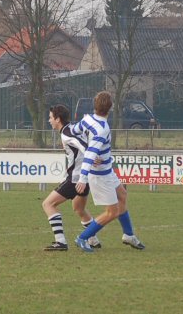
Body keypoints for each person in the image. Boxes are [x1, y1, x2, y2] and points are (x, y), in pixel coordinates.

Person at [71, 91, 145, 253]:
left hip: (107, 171)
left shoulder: (87, 119)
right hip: (99, 175)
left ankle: (128, 235)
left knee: (122, 195)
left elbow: (75, 131)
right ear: (110, 108)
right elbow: (90, 153)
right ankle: (82, 238)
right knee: (112, 212)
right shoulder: (102, 129)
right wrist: (83, 179)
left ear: (94, 105)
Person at [42, 105, 100, 251]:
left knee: (48, 204)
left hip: (75, 180)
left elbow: (81, 145)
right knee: (79, 208)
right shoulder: (74, 129)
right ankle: (93, 239)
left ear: (57, 118)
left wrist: (91, 154)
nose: (49, 120)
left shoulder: (67, 134)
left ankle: (61, 242)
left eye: (50, 117)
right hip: (84, 178)